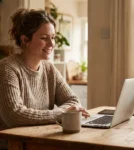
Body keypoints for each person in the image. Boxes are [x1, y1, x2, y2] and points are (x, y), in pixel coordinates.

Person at [0, 8, 89, 150]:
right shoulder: (7, 68)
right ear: (25, 40)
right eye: (44, 38)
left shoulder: (49, 68)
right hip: (14, 146)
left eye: (53, 37)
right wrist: (62, 113)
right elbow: (14, 115)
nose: (51, 44)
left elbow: (73, 100)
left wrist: (64, 112)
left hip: (41, 141)